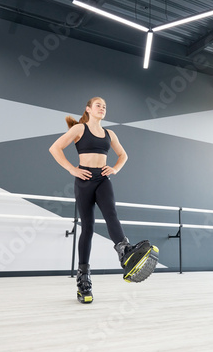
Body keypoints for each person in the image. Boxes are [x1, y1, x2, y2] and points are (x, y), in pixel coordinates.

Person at [49, 96, 159, 303]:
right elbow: (54, 148)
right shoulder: (79, 129)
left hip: (103, 179)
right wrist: (73, 169)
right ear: (88, 109)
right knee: (88, 228)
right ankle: (84, 279)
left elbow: (123, 155)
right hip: (84, 180)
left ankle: (125, 253)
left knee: (111, 215)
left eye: (105, 106)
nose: (102, 108)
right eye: (98, 105)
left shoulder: (110, 134)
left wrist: (115, 168)